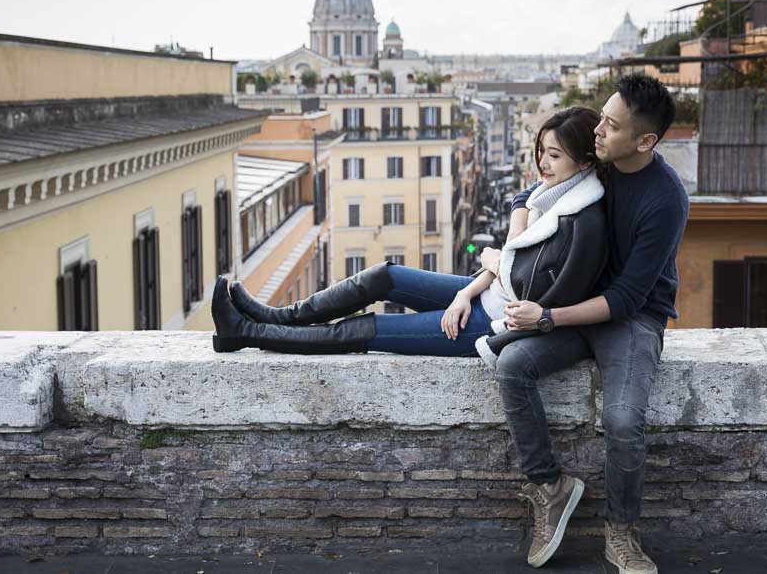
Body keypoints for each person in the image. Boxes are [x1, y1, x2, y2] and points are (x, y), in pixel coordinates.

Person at [210, 107, 607, 370]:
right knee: (385, 276)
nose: (542, 162)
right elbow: (509, 254)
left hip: (492, 325)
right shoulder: (549, 195)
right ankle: (274, 315)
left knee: (366, 330)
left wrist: (493, 260)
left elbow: (522, 283)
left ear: (584, 161)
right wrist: (467, 291)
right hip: (480, 299)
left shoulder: (582, 222)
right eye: (541, 151)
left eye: (553, 156)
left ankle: (247, 333)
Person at [487, 73, 688, 573]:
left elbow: (624, 299)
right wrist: (516, 237)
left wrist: (548, 317)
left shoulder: (665, 200)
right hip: (576, 304)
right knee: (512, 365)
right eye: (602, 116)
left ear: (645, 141)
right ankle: (550, 488)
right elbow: (532, 190)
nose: (598, 130)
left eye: (612, 125)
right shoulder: (601, 160)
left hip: (631, 319)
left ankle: (620, 533)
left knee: (622, 420)